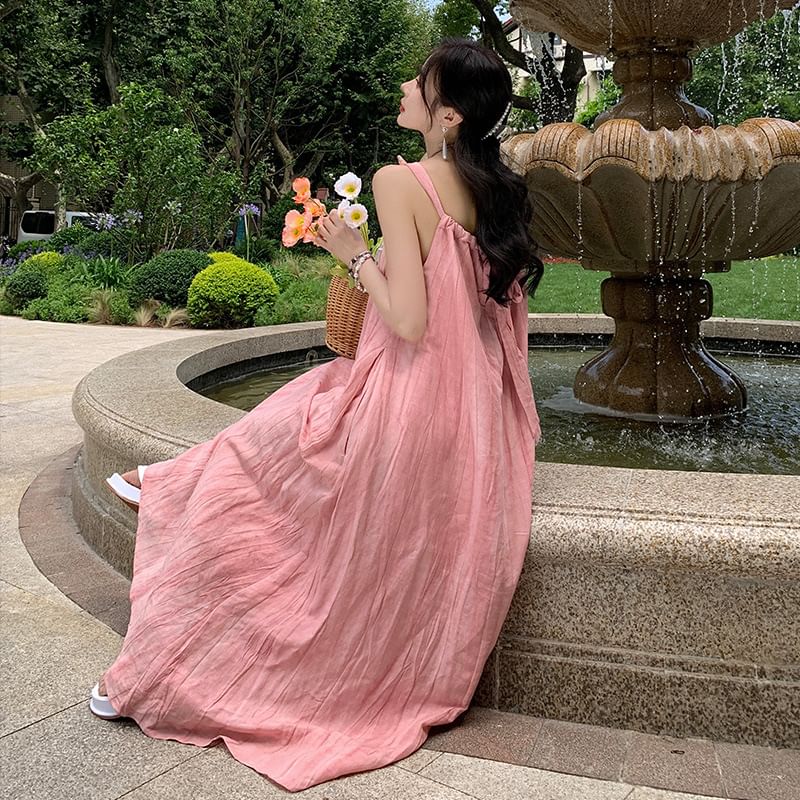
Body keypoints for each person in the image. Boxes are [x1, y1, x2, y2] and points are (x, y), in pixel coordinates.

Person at [94, 36, 544, 793]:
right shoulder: (498, 191)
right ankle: (168, 481)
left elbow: (408, 320)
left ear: (450, 116)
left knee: (277, 445)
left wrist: (353, 254)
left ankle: (170, 590)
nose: (405, 87)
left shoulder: (401, 182)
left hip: (415, 398)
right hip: (479, 417)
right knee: (297, 415)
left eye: (421, 82)